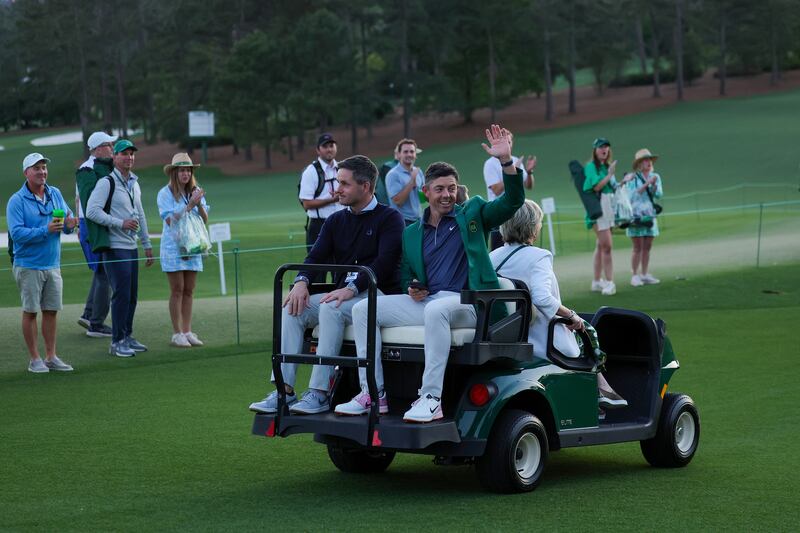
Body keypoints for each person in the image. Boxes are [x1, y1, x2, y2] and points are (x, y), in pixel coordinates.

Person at [335, 124, 525, 423]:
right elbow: (407, 276)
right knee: (363, 309)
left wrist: (505, 161)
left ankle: (431, 398)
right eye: (439, 189)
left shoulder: (473, 213)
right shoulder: (411, 233)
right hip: (431, 302)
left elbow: (512, 201)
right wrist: (412, 287)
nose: (447, 195)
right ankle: (373, 392)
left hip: (472, 304)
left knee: (436, 310)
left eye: (451, 188)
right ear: (426, 192)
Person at [249, 155, 404, 415]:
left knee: (331, 307)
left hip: (377, 295)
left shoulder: (390, 218)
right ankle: (284, 391)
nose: (336, 190)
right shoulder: (335, 220)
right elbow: (315, 257)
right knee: (292, 307)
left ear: (365, 186)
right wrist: (301, 282)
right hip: (344, 296)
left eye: (344, 184)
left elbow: (384, 263)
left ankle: (319, 394)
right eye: (336, 183)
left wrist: (350, 289)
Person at [490, 200, 627, 409]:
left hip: (505, 334)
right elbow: (542, 298)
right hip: (542, 339)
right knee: (586, 329)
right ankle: (600, 389)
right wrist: (572, 316)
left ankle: (601, 388)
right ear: (532, 227)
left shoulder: (493, 257)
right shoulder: (539, 256)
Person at [7, 153, 78, 373]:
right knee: (31, 311)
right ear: (26, 172)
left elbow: (67, 220)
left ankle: (51, 356)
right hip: (28, 265)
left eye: (44, 168)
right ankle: (34, 359)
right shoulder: (16, 200)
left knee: (51, 311)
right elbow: (17, 233)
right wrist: (44, 230)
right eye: (37, 168)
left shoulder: (54, 193)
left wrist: (70, 223)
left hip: (52, 264)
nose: (42, 172)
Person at [86, 139, 154, 358]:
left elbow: (140, 214)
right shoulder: (107, 182)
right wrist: (119, 222)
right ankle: (116, 342)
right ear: (114, 157)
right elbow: (91, 211)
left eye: (132, 154)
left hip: (131, 246)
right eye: (124, 154)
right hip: (115, 246)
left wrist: (147, 243)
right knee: (121, 295)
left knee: (132, 295)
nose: (129, 157)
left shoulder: (134, 182)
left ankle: (127, 336)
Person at [157, 153, 209, 347]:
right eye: (182, 170)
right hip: (173, 247)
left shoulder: (194, 191)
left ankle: (187, 331)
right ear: (174, 173)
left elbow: (204, 219)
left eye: (188, 170)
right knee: (177, 290)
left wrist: (199, 203)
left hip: (193, 246)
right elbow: (171, 220)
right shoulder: (165, 193)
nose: (185, 174)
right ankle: (176, 332)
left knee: (189, 290)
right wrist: (190, 205)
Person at [75, 131, 116, 338]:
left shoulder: (99, 167)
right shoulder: (87, 169)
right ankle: (96, 323)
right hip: (92, 225)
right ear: (99, 148)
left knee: (101, 271)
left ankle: (89, 314)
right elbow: (88, 202)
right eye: (109, 145)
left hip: (92, 224)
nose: (112, 148)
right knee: (104, 273)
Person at [482, 134, 535, 250]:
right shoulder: (490, 164)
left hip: (518, 212)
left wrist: (530, 172)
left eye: (509, 142)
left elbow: (528, 185)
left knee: (523, 247)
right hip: (499, 213)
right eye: (504, 142)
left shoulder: (515, 160)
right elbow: (496, 190)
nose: (507, 145)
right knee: (499, 250)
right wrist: (511, 171)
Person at [584, 138, 618, 296]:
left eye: (606, 147)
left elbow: (612, 187)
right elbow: (597, 186)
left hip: (607, 208)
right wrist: (610, 174)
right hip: (598, 209)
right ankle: (609, 282)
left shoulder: (605, 167)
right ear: (595, 150)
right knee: (607, 246)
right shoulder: (591, 167)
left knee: (600, 246)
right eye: (601, 147)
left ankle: (597, 281)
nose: (604, 150)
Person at [624, 149, 663, 287]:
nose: (648, 162)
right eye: (645, 160)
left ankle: (645, 273)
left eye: (649, 160)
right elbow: (632, 196)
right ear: (640, 163)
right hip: (636, 215)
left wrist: (653, 185)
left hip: (649, 214)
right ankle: (635, 275)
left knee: (647, 245)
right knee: (637, 246)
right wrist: (647, 184)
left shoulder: (655, 176)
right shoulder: (633, 178)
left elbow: (658, 195)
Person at [300, 133, 343, 251]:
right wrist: (332, 200)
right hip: (319, 226)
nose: (329, 149)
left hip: (342, 222)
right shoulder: (311, 172)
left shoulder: (342, 168)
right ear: (318, 150)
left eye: (332, 145)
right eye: (325, 146)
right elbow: (307, 204)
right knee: (317, 268)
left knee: (342, 267)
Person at [385, 138, 425, 225]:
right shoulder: (393, 175)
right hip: (401, 222)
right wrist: (412, 181)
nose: (409, 154)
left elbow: (423, 198)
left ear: (415, 154)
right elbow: (398, 201)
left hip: (419, 220)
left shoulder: (418, 172)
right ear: (399, 155)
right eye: (405, 152)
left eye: (412, 151)